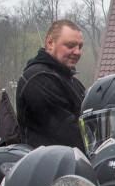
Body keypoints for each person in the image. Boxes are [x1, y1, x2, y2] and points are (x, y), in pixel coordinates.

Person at [16, 19, 87, 151]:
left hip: (70, 163)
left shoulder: (71, 81)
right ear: (50, 43)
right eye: (70, 45)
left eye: (80, 47)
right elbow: (68, 132)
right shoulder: (38, 79)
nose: (77, 52)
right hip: (47, 167)